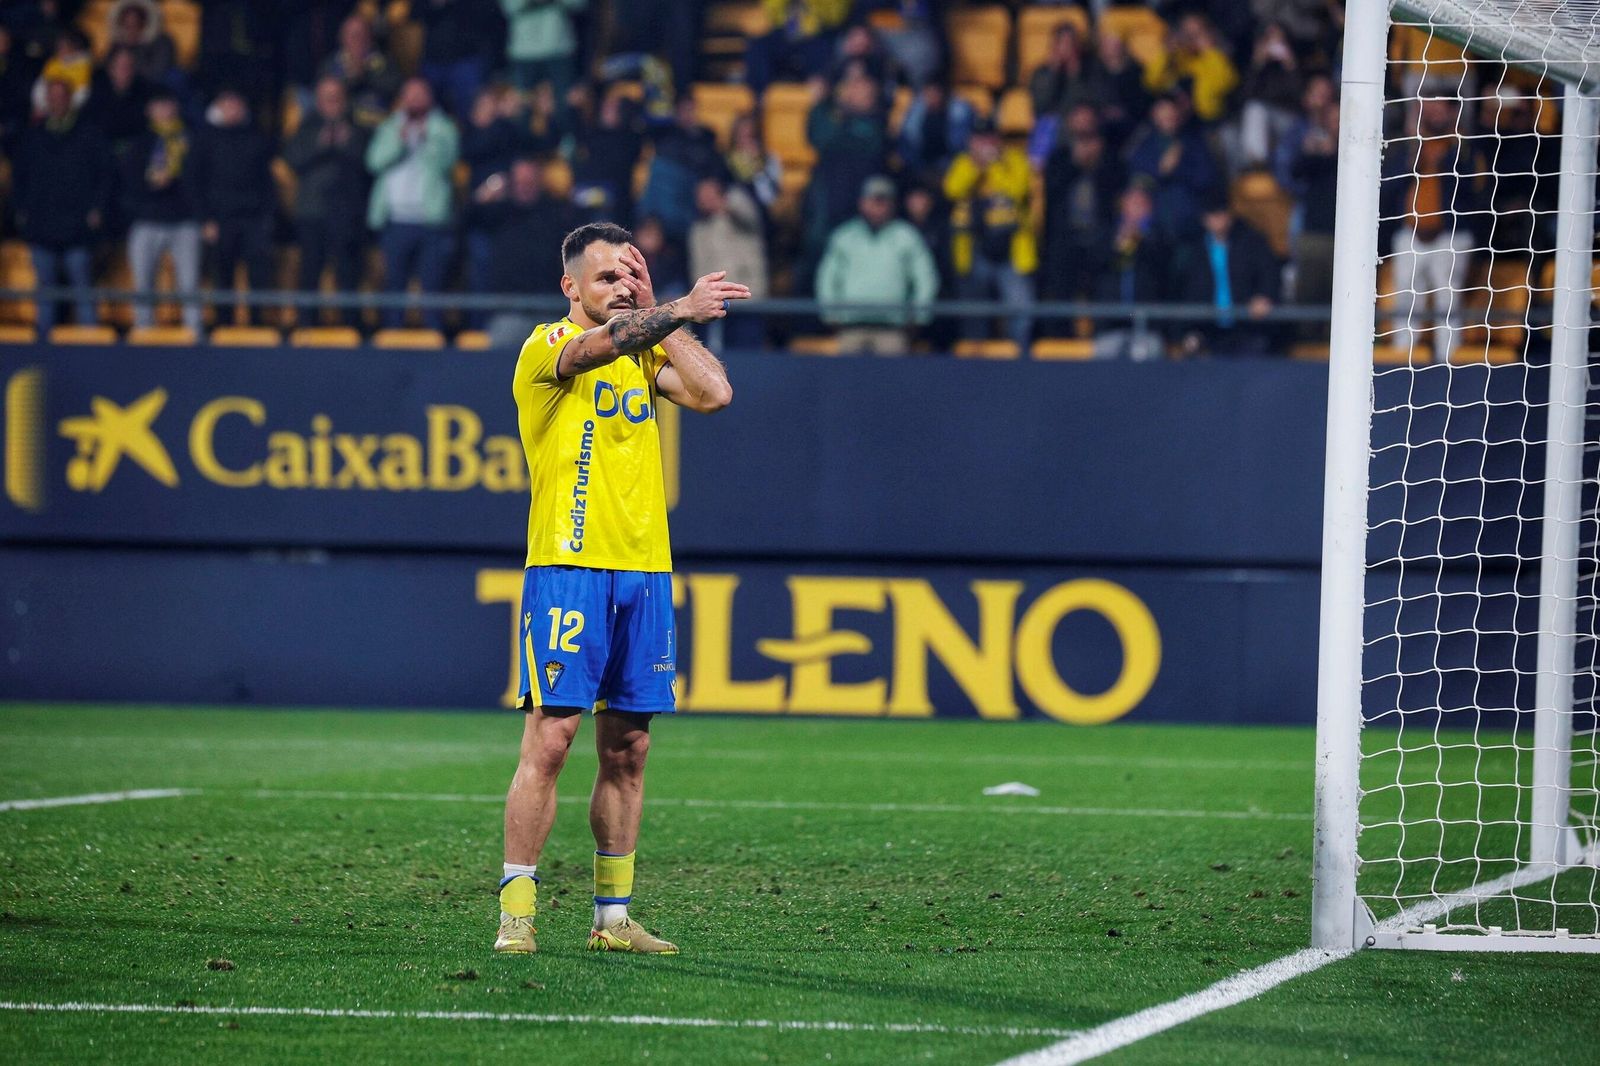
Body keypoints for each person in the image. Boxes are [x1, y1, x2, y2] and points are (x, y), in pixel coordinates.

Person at [495, 222, 751, 956]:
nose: (619, 289)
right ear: (569, 286)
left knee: (629, 748)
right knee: (552, 739)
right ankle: (518, 914)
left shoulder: (643, 354)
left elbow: (715, 392)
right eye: (605, 278)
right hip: (568, 567)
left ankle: (613, 921)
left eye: (627, 277)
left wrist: (661, 315)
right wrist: (671, 307)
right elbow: (591, 348)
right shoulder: (546, 349)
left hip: (644, 571)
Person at [1380, 93, 1479, 360]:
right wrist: (1415, 143)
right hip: (1410, 233)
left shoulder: (1464, 148)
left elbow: (1468, 184)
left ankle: (1449, 358)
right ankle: (1403, 357)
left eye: (1440, 106)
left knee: (1448, 297)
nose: (1433, 111)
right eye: (1427, 106)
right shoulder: (1409, 149)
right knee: (1407, 296)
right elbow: (1389, 185)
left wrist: (1448, 138)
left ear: (1453, 111)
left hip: (1451, 235)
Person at [366, 77, 460, 331]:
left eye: (421, 95)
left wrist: (425, 139)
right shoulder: (389, 127)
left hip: (430, 220)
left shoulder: (443, 128)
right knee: (394, 284)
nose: (415, 100)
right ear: (402, 98)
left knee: (432, 285)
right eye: (410, 95)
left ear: (430, 99)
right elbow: (373, 162)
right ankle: (391, 334)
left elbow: (447, 163)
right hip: (395, 220)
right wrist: (400, 140)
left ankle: (434, 335)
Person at [15, 77, 108, 330]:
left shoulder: (89, 134)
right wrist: (22, 211)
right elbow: (20, 178)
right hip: (41, 226)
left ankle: (91, 344)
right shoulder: (33, 136)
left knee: (82, 287)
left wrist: (96, 209)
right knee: (45, 290)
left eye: (61, 96)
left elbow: (104, 175)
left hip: (77, 227)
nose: (56, 101)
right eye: (51, 97)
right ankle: (43, 345)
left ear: (70, 99)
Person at [815, 175, 939, 354]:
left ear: (893, 205)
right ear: (862, 203)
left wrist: (920, 317)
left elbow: (925, 278)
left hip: (893, 328)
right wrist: (830, 314)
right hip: (851, 326)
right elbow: (827, 278)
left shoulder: (907, 236)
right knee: (847, 379)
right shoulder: (845, 236)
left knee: (891, 380)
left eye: (883, 201)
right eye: (873, 200)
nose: (878, 207)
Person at [283, 75, 371, 328]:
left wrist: (348, 144)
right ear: (318, 101)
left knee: (348, 273)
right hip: (312, 212)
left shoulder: (357, 129)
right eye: (327, 98)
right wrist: (320, 145)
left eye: (337, 98)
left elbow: (370, 164)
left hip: (347, 213)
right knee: (310, 271)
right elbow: (292, 160)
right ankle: (306, 325)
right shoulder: (306, 128)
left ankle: (352, 327)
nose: (332, 103)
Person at [944, 119, 1036, 348]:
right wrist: (977, 166)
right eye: (979, 138)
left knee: (1019, 310)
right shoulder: (964, 162)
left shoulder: (1015, 160)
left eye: (990, 138)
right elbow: (953, 189)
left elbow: (1017, 190)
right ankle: (976, 366)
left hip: (1011, 246)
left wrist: (994, 165)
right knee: (975, 312)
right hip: (974, 246)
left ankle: (1019, 360)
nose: (985, 143)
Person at [193, 89, 276, 326]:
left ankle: (258, 326)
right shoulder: (205, 138)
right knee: (222, 278)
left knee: (258, 278)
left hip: (253, 220)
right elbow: (194, 181)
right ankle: (223, 327)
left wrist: (266, 218)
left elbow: (266, 182)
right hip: (219, 220)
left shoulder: (255, 137)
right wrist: (205, 219)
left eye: (237, 104)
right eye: (228, 105)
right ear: (218, 107)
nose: (233, 110)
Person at [121, 88, 202, 333]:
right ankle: (144, 333)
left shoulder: (191, 139)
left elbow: (199, 178)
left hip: (184, 220)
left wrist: (175, 180)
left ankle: (194, 333)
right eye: (159, 105)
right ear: (149, 110)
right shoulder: (140, 142)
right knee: (143, 285)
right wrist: (149, 185)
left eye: (168, 104)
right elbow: (129, 180)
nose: (164, 110)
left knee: (189, 284)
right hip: (147, 219)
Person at [478, 157, 575, 345]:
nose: (524, 187)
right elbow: (462, 222)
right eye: (520, 182)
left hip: (549, 309)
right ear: (511, 183)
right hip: (509, 310)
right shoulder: (499, 213)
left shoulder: (555, 214)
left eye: (529, 182)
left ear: (539, 181)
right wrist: (484, 196)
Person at [1174, 195, 1282, 356]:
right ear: (1204, 219)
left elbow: (1270, 273)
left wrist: (1264, 295)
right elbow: (1184, 289)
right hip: (1209, 331)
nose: (1218, 219)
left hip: (1248, 328)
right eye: (1213, 215)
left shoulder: (1252, 241)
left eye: (1222, 213)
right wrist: (1189, 330)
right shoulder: (1194, 250)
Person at [1091, 181, 1172, 361]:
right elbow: (1093, 265)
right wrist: (1117, 244)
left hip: (1147, 326)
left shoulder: (1159, 235)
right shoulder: (1107, 233)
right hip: (1110, 324)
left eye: (1140, 203)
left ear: (1149, 207)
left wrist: (1140, 240)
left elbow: (1162, 266)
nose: (1136, 208)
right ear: (1123, 205)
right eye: (1132, 202)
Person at [1126, 92, 1221, 241]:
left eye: (1172, 112)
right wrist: (1162, 169)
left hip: (1190, 224)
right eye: (1163, 112)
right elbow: (1138, 178)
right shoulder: (1146, 146)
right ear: (1154, 114)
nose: (1168, 117)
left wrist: (1179, 169)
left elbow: (1207, 177)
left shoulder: (1193, 142)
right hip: (1156, 229)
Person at [688, 175, 768, 348]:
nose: (704, 199)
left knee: (749, 352)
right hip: (716, 302)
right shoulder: (698, 230)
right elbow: (698, 267)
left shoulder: (741, 217)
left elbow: (749, 213)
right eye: (700, 195)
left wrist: (726, 203)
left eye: (709, 194)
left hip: (747, 297)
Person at [414, 0, 502, 120]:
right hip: (433, 59)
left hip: (467, 59)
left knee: (470, 110)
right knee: (428, 111)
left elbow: (491, 18)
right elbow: (414, 15)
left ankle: (470, 137)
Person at [321, 12, 400, 128]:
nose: (358, 40)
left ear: (370, 37)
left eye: (361, 34)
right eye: (352, 35)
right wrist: (352, 80)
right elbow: (325, 97)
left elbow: (396, 88)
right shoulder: (331, 65)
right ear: (342, 38)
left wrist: (364, 75)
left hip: (378, 125)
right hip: (345, 127)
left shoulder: (384, 62)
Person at [499, 0, 585, 96]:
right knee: (523, 106)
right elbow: (509, 6)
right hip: (523, 53)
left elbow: (579, 3)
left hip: (559, 50)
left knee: (564, 106)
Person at [105, 0, 175, 87]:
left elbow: (157, 73)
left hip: (155, 89)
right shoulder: (118, 44)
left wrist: (135, 52)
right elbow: (108, 71)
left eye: (136, 24)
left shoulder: (162, 43)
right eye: (127, 25)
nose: (131, 30)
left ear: (145, 23)